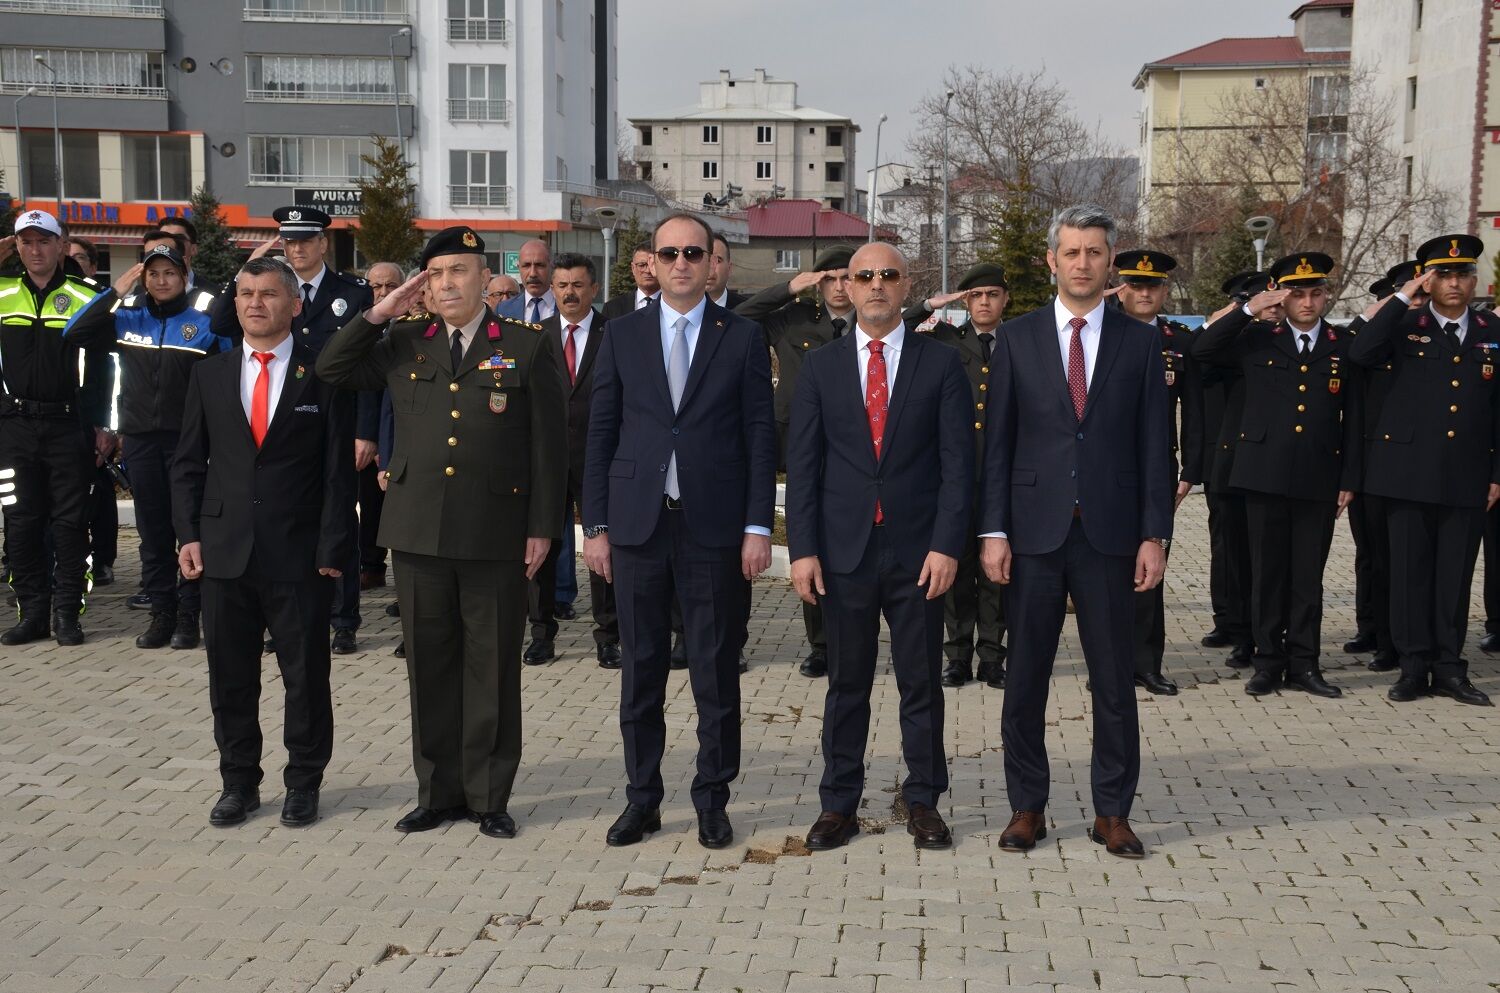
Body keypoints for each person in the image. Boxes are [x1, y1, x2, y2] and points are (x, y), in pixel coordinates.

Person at [317, 226, 568, 839]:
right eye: (437, 273)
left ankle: (488, 795)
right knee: (429, 667)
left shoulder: (527, 344)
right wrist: (378, 313)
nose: (448, 282)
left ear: (486, 279)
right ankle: (437, 792)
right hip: (418, 529)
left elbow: (550, 448)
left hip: (496, 530)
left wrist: (542, 529)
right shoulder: (404, 340)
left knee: (492, 668)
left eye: (460, 270)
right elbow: (330, 367)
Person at [979, 204, 1172, 860]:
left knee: (1115, 680)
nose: (1084, 263)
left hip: (1111, 536)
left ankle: (1112, 810)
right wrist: (994, 530)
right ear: (1051, 261)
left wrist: (1155, 534)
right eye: (1072, 252)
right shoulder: (1019, 337)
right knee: (1025, 675)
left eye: (1095, 252)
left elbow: (1155, 447)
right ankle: (1027, 804)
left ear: (1110, 260)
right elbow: (997, 444)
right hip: (1032, 534)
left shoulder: (1142, 343)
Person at [582, 213, 776, 850]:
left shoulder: (742, 336)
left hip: (713, 529)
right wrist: (596, 525)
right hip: (638, 527)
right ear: (653, 262)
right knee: (640, 673)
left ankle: (713, 799)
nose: (682, 263)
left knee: (715, 672)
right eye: (670, 254)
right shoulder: (621, 334)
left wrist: (757, 527)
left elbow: (757, 435)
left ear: (713, 261)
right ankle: (642, 800)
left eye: (695, 252)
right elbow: (601, 433)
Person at [786, 241, 973, 851]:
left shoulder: (940, 365)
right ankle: (838, 804)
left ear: (905, 283)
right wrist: (803, 551)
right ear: (846, 284)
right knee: (847, 685)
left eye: (887, 275)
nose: (874, 285)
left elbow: (956, 466)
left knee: (921, 682)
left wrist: (948, 546)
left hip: (919, 553)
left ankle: (923, 800)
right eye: (861, 276)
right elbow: (805, 468)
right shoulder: (821, 367)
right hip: (844, 553)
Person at [172, 256, 357, 829]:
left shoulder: (321, 374)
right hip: (224, 551)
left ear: (294, 304)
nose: (256, 303)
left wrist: (332, 549)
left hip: (296, 554)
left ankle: (304, 781)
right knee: (230, 677)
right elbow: (187, 465)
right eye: (247, 293)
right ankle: (238, 783)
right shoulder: (211, 373)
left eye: (269, 294)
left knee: (305, 676)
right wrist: (188, 536)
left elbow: (335, 474)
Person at [1192, 252, 1359, 699]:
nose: (1307, 301)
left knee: (1307, 576)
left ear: (1326, 295)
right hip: (1262, 474)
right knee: (1266, 574)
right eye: (1296, 293)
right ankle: (1267, 662)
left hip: (1318, 476)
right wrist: (1247, 308)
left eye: (1315, 292)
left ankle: (1305, 663)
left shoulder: (1342, 344)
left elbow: (1356, 417)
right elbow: (1201, 349)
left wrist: (1350, 476)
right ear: (1281, 297)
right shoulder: (1256, 339)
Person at [215, 206, 375, 655]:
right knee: (282, 521)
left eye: (306, 240)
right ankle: (278, 616)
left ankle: (344, 620)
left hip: (337, 419)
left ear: (323, 243)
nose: (297, 248)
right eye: (289, 241)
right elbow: (220, 324)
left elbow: (367, 364)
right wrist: (247, 270)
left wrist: (367, 431)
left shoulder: (352, 293)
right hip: (282, 424)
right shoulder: (267, 289)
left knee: (339, 516)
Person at [1349, 235, 1499, 707]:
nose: (1454, 283)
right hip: (1406, 473)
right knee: (1410, 574)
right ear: (1428, 280)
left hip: (1466, 474)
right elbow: (1359, 353)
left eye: (1462, 274)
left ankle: (1450, 667)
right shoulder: (1403, 324)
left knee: (1454, 577)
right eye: (1443, 275)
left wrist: (1496, 472)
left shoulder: (1490, 330)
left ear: (1475, 280)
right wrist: (1400, 298)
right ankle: (1413, 667)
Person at [64, 244, 228, 650]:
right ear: (143, 277)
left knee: (188, 530)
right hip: (139, 439)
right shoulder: (126, 316)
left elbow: (230, 368)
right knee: (152, 534)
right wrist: (114, 293)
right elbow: (75, 332)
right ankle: (162, 616)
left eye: (169, 273)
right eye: (153, 273)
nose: (161, 280)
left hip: (188, 443)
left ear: (184, 274)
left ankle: (189, 618)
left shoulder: (204, 320)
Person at [734, 246, 857, 677]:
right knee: (813, 545)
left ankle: (854, 640)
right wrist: (790, 287)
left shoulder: (876, 320)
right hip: (802, 442)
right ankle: (821, 645)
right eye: (830, 278)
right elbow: (741, 318)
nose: (840, 287)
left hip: (861, 448)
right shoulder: (795, 319)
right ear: (818, 283)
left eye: (847, 277)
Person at [0, 209, 109, 646]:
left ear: (62, 246)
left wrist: (105, 426)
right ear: (16, 247)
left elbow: (106, 369)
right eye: (25, 242)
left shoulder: (88, 296)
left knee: (69, 525)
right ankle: (32, 614)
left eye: (44, 241)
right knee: (19, 523)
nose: (35, 249)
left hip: (69, 426)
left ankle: (67, 614)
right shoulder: (3, 292)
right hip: (13, 429)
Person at [905, 263, 1011, 690]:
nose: (984, 302)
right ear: (965, 301)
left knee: (997, 574)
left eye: (992, 294)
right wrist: (932, 303)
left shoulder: (1020, 342)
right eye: (975, 295)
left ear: (1006, 299)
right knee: (957, 570)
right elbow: (898, 323)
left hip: (1002, 475)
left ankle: (992, 656)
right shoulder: (943, 340)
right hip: (955, 476)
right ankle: (956, 656)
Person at [1111, 250, 1203, 696]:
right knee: (1107, 571)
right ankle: (1109, 666)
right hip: (1105, 467)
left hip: (1156, 468)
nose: (1144, 292)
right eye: (1135, 284)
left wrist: (1191, 466)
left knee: (1151, 566)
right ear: (1121, 287)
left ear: (1165, 291)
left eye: (1153, 286)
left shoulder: (1176, 340)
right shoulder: (1101, 332)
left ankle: (1147, 664)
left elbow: (1197, 407)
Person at [524, 254, 621, 669]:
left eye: (578, 285)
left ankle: (608, 636)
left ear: (594, 289)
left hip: (600, 459)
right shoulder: (534, 336)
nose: (569, 292)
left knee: (603, 551)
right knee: (542, 548)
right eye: (561, 284)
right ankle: (541, 634)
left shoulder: (614, 335)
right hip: (545, 460)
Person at [1344, 262, 1416, 674]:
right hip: (1370, 465)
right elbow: (1355, 349)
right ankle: (1370, 628)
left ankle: (1395, 639)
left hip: (1411, 464)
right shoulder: (1375, 338)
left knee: (1399, 559)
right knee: (1371, 555)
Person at [1199, 271, 1272, 669]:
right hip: (1228, 460)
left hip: (1270, 462)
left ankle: (1264, 632)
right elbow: (1203, 349)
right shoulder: (1236, 340)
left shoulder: (1276, 339)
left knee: (1265, 557)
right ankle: (1237, 626)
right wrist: (1239, 312)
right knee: (1232, 552)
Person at [64, 236, 120, 589]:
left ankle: (102, 560)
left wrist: (110, 426)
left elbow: (115, 368)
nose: (73, 263)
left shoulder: (102, 301)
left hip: (93, 416)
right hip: (53, 417)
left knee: (98, 493)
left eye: (79, 257)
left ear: (93, 263)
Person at [355, 261, 406, 592]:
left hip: (401, 437)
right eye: (376, 286)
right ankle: (370, 566)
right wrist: (368, 434)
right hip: (369, 434)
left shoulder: (409, 330)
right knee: (368, 505)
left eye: (390, 286)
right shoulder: (361, 327)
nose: (383, 292)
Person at [497, 239, 555, 324]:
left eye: (539, 265)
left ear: (552, 266)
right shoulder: (503, 310)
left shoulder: (569, 306)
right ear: (518, 267)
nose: (533, 274)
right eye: (526, 266)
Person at [599, 247, 660, 322]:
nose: (648, 270)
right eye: (642, 265)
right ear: (633, 268)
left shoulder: (676, 305)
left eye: (652, 265)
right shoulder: (612, 308)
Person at [157, 217, 208, 291]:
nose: (170, 244)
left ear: (193, 249)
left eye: (178, 239)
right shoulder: (142, 294)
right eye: (163, 238)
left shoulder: (214, 293)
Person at [706, 235, 747, 309]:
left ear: (729, 268)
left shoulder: (748, 310)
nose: (710, 268)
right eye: (704, 260)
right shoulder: (679, 311)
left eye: (717, 260)